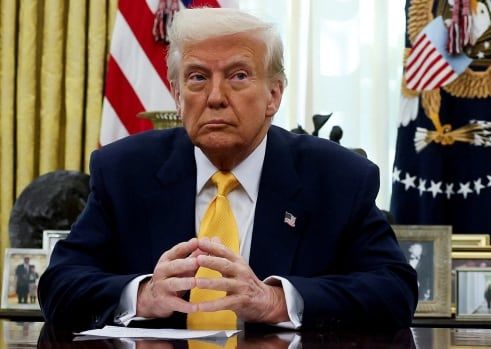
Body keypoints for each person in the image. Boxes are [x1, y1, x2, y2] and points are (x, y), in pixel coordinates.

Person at [38, 7, 417, 331]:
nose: (215, 97)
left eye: (238, 76)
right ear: (177, 95)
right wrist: (144, 294)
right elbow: (59, 284)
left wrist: (273, 301)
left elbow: (394, 291)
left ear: (274, 94)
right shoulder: (124, 171)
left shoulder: (337, 177)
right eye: (198, 77)